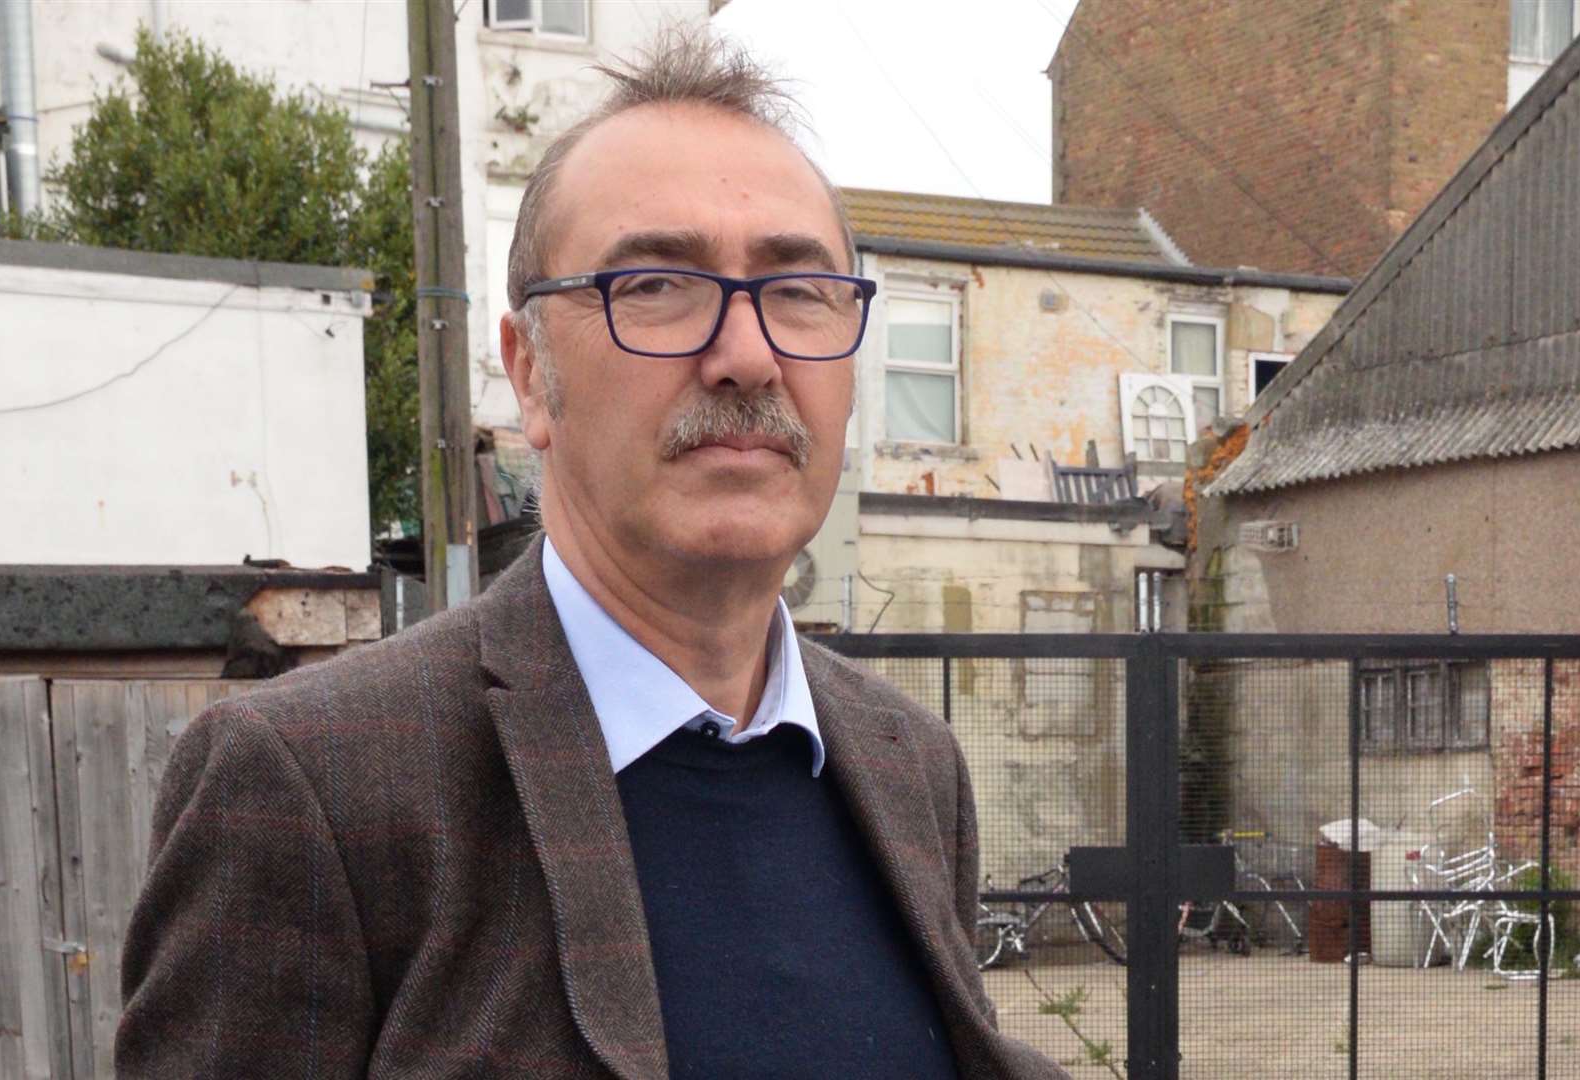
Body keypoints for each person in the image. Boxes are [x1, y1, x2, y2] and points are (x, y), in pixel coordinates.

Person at [116, 27, 1069, 1080]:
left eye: (798, 291)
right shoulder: (315, 786)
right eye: (657, 286)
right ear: (530, 375)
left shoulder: (909, 765)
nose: (746, 356)